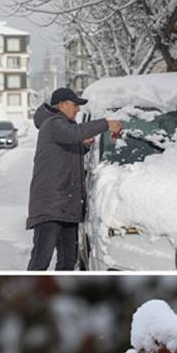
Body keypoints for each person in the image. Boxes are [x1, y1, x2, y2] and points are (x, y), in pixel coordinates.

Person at [26, 87, 123, 270]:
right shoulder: (53, 123)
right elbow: (73, 133)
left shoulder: (61, 127)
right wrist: (106, 124)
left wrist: (83, 147)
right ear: (62, 105)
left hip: (66, 207)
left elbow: (65, 153)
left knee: (68, 261)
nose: (78, 110)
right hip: (50, 206)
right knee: (41, 260)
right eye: (75, 105)